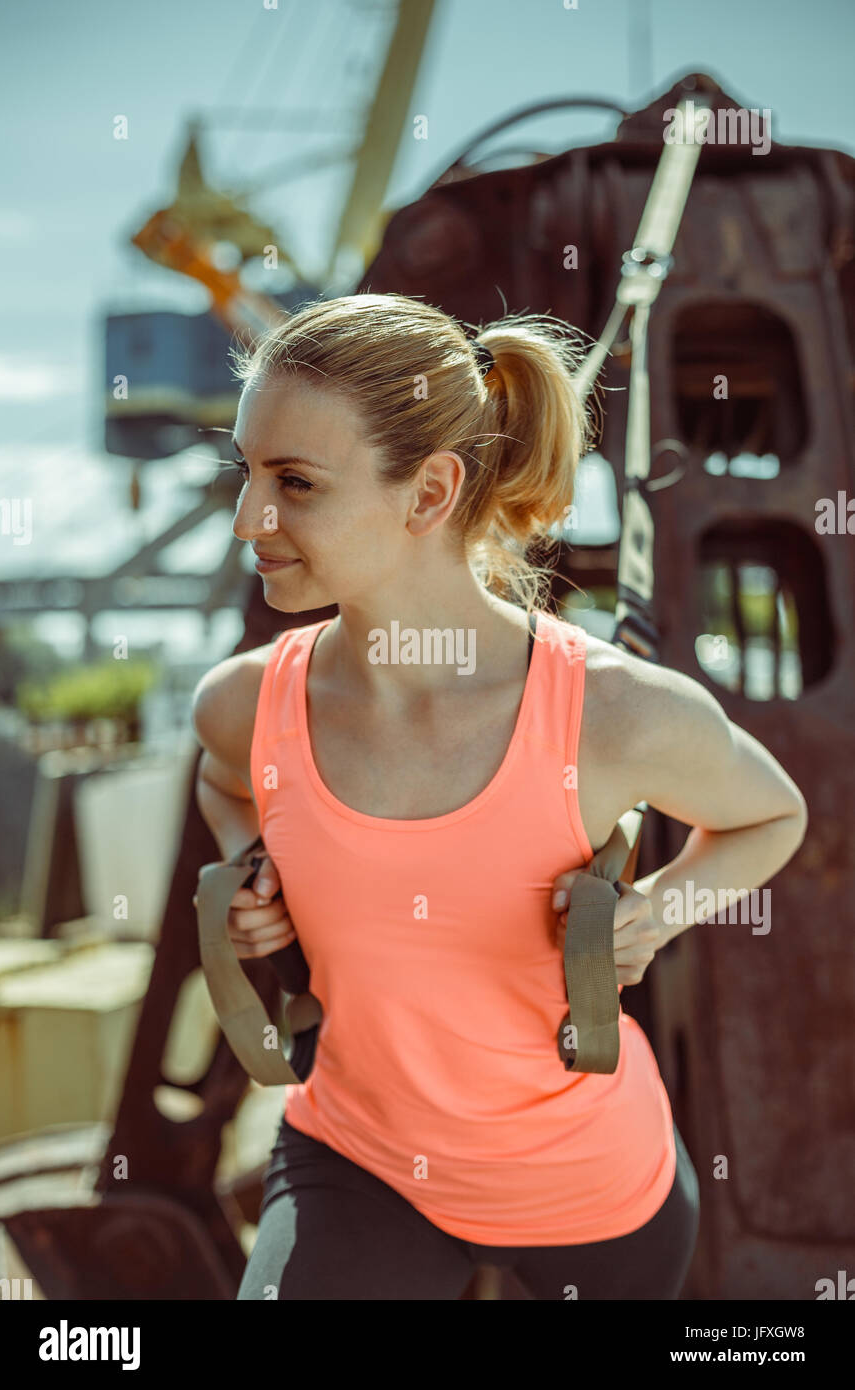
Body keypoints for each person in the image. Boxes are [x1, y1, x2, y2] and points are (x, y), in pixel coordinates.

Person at [191, 292, 807, 1300]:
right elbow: (227, 782)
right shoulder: (245, 704)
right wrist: (255, 864)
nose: (245, 520)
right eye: (246, 474)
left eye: (293, 482)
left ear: (428, 493)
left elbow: (771, 813)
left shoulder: (613, 714)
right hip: (358, 1158)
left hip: (591, 1195)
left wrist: (659, 909)